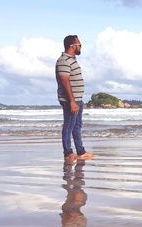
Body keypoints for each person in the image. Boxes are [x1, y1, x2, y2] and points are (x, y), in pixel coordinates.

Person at [55, 35, 94, 163]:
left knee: (77, 126)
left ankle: (80, 151)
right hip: (70, 100)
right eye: (79, 45)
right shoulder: (63, 61)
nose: (80, 47)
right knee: (68, 126)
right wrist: (71, 101)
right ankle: (68, 153)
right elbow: (65, 81)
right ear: (72, 46)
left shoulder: (71, 59)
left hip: (77, 99)